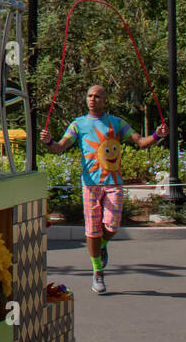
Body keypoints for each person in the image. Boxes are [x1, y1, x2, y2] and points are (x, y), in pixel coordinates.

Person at [42, 84, 167, 295]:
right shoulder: (78, 124)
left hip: (113, 183)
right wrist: (49, 142)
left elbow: (140, 142)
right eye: (90, 96)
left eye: (97, 96)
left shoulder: (116, 123)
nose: (93, 99)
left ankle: (102, 245)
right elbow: (60, 148)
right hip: (90, 185)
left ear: (105, 100)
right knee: (92, 230)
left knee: (112, 226)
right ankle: (97, 272)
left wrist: (156, 135)